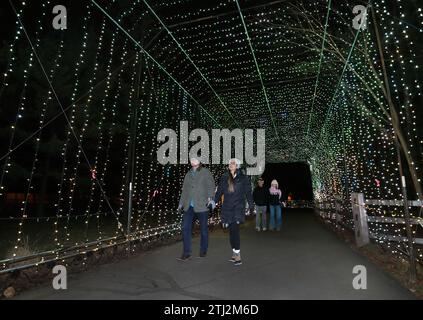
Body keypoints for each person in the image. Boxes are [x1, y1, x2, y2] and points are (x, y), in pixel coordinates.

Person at [214, 158, 254, 266]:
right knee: (231, 232)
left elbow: (248, 193)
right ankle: (234, 253)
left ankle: (238, 254)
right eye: (230, 163)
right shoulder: (224, 177)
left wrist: (251, 205)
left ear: (237, 166)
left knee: (234, 230)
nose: (230, 164)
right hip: (227, 208)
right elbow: (219, 192)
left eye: (233, 163)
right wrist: (213, 202)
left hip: (238, 207)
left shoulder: (243, 178)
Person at [177, 158, 215, 260]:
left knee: (203, 230)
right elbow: (184, 190)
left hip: (202, 205)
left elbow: (211, 186)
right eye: (191, 159)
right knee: (185, 227)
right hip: (189, 206)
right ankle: (186, 252)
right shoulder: (188, 174)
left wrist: (210, 199)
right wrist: (181, 204)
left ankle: (203, 250)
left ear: (199, 161)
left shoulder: (205, 172)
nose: (192, 160)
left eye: (195, 159)